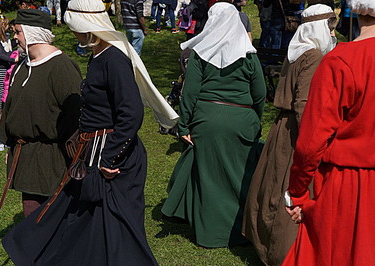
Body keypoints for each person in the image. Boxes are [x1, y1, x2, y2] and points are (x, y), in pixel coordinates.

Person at [1, 0, 178, 264]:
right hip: (95, 151)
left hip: (115, 158)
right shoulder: (99, 55)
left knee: (118, 228)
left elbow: (131, 114)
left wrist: (109, 158)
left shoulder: (114, 59)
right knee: (85, 220)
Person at [161, 0, 266, 248]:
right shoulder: (249, 55)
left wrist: (184, 125)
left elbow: (190, 93)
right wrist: (254, 119)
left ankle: (210, 234)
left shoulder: (200, 54)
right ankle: (239, 231)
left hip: (206, 121)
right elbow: (260, 93)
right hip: (241, 119)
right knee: (241, 176)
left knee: (209, 177)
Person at [241, 4, 337, 266]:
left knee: (272, 186)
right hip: (296, 131)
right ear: (319, 27)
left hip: (282, 128)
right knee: (289, 188)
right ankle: (284, 253)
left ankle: (265, 244)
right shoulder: (313, 55)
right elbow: (304, 104)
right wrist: (314, 141)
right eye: (330, 26)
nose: (332, 32)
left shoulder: (297, 50)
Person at [283, 0, 375, 264]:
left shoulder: (342, 60)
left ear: (356, 11)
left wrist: (297, 192)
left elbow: (312, 141)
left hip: (349, 188)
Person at [0, 9, 82, 218]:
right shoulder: (22, 67)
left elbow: (76, 116)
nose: (15, 37)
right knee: (32, 214)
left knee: (50, 216)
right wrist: (10, 146)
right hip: (25, 153)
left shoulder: (62, 67)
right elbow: (12, 109)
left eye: (18, 32)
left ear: (32, 32)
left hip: (53, 157)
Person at [0, 15, 18, 125]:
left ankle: (7, 110)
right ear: (1, 26)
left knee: (9, 88)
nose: (8, 27)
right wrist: (13, 59)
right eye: (6, 25)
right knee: (2, 89)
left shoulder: (6, 37)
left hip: (9, 66)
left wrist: (17, 40)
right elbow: (0, 54)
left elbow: (10, 46)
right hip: (1, 67)